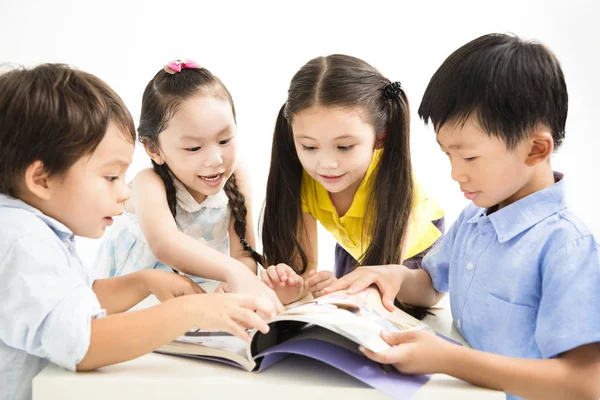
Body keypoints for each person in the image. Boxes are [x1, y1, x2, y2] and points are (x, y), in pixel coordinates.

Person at [324, 34, 600, 400]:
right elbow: (432, 284)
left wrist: (450, 360)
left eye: (469, 157)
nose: (456, 173)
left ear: (536, 149)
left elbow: (585, 383)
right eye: (447, 155)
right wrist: (393, 276)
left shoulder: (567, 248)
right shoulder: (475, 218)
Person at [0, 63, 275, 400]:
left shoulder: (28, 231)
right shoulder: (24, 241)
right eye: (111, 177)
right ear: (41, 180)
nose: (123, 191)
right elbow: (83, 344)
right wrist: (192, 311)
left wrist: (143, 282)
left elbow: (69, 303)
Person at [260, 54, 444, 316]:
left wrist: (345, 287)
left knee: (376, 300)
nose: (327, 164)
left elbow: (422, 292)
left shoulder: (398, 188)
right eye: (309, 146)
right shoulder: (302, 179)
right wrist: (302, 286)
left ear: (380, 137)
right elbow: (304, 268)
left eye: (344, 147)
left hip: (411, 254)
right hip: (356, 246)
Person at [95, 60, 282, 310]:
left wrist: (236, 280)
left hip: (200, 298)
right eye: (194, 148)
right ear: (154, 148)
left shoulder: (237, 175)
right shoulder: (148, 184)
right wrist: (234, 272)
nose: (215, 159)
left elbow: (244, 253)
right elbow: (167, 245)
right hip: (136, 304)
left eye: (225, 140)